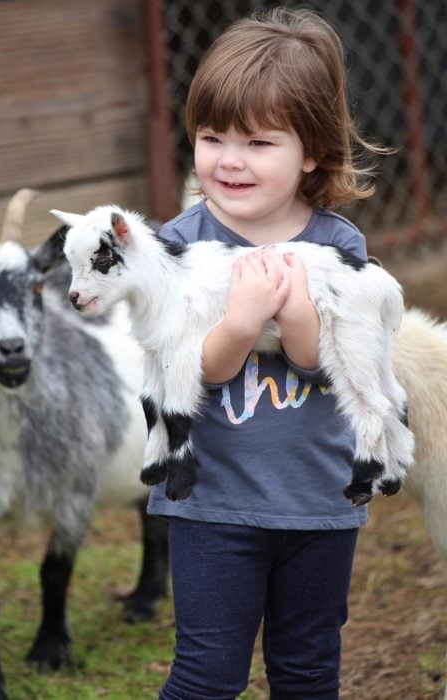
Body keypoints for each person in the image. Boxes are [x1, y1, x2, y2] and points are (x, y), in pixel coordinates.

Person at [147, 7, 387, 699]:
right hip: (212, 506)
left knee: (309, 668)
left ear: (310, 150)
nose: (228, 160)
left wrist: (299, 313)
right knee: (207, 671)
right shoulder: (177, 246)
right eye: (211, 136)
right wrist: (243, 321)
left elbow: (326, 364)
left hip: (318, 502)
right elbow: (192, 373)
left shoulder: (339, 247)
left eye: (257, 142)